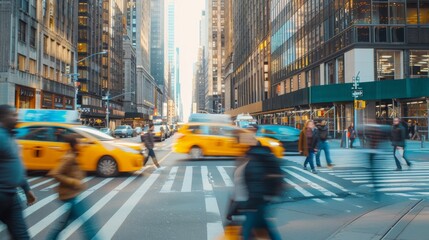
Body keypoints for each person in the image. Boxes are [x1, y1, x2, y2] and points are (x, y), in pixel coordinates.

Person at [47, 134, 99, 240]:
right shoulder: (69, 157)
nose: (81, 144)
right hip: (71, 195)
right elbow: (54, 173)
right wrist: (74, 182)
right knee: (87, 224)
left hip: (74, 194)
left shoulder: (74, 155)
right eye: (79, 142)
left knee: (62, 225)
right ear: (74, 144)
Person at [0, 105, 37, 239]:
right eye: (13, 115)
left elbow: (17, 165)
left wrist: (27, 189)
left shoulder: (11, 136)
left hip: (11, 196)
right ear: (3, 117)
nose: (17, 118)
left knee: (22, 236)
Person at [241, 145, 283, 240]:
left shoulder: (253, 162)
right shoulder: (266, 157)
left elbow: (254, 183)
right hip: (266, 198)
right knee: (264, 224)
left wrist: (252, 202)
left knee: (247, 228)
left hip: (256, 200)